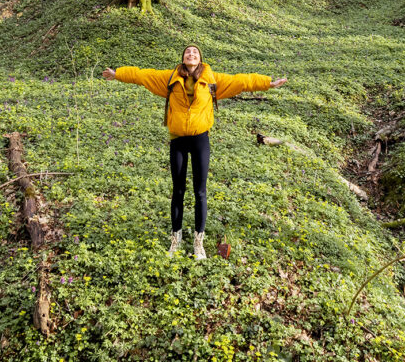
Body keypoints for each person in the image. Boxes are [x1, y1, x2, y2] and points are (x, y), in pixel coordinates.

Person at [103, 45, 287, 259]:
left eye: (195, 53)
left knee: (200, 191)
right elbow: (143, 75)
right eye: (188, 52)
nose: (191, 54)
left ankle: (199, 241)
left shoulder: (211, 80)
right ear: (183, 58)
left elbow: (241, 81)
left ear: (200, 59)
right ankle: (176, 237)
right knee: (178, 190)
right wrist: (118, 74)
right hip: (178, 140)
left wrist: (268, 83)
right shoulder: (170, 78)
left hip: (200, 139)